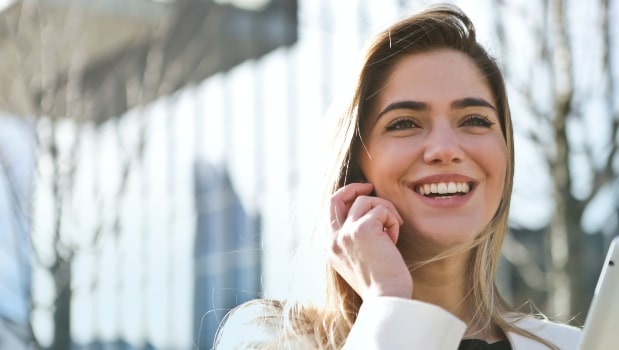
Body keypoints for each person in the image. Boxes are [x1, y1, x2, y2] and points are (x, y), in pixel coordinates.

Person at [215, 4, 581, 349]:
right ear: (356, 165)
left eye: (474, 120)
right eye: (405, 123)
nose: (445, 148)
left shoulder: (579, 345)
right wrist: (387, 304)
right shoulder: (269, 340)